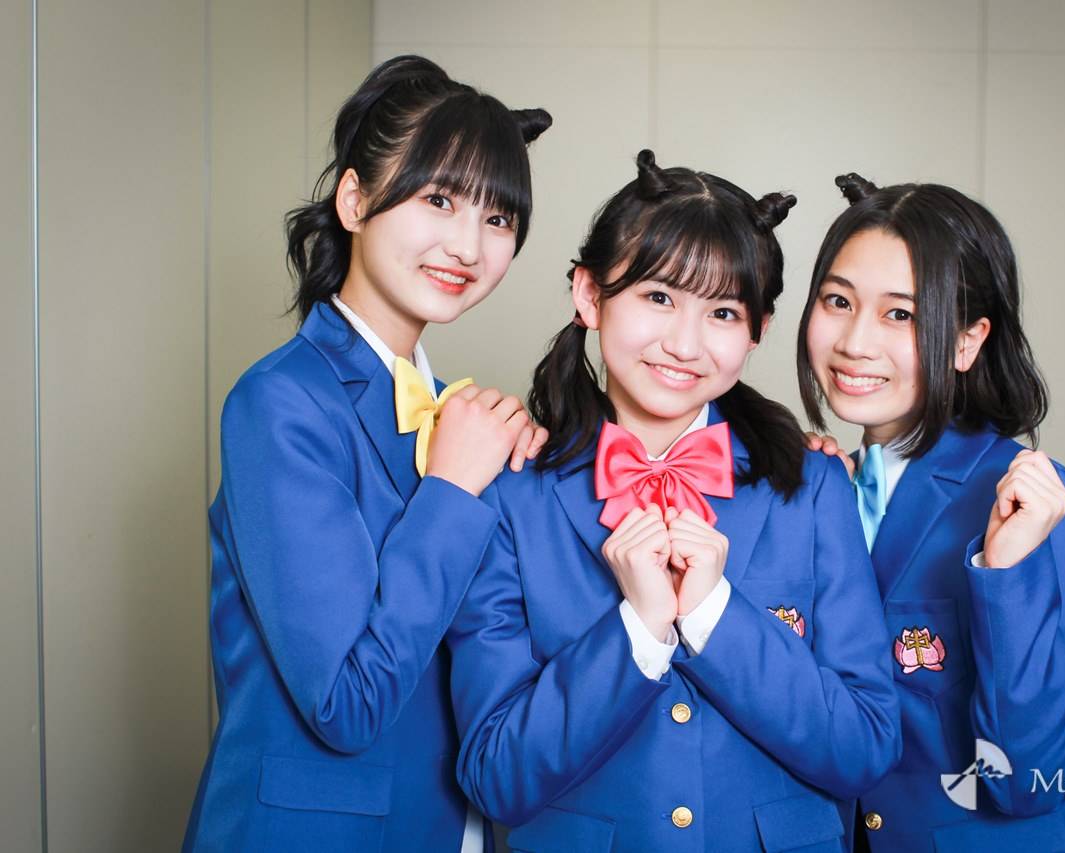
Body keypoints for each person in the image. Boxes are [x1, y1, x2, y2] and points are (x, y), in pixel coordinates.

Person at [446, 151, 901, 852]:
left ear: (757, 331)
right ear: (589, 295)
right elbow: (495, 777)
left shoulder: (813, 486)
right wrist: (637, 630)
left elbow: (866, 747)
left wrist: (715, 614)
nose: (685, 344)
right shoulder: (509, 493)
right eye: (658, 297)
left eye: (722, 312)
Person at [182, 55, 551, 853]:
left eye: (497, 218)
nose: (468, 245)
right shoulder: (279, 402)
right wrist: (453, 490)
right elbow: (346, 702)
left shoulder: (459, 414)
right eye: (439, 199)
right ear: (354, 200)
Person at [798, 172, 1065, 851]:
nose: (854, 341)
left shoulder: (1034, 502)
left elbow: (1031, 780)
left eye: (901, 315)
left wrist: (1004, 575)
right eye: (838, 300)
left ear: (967, 341)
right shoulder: (821, 487)